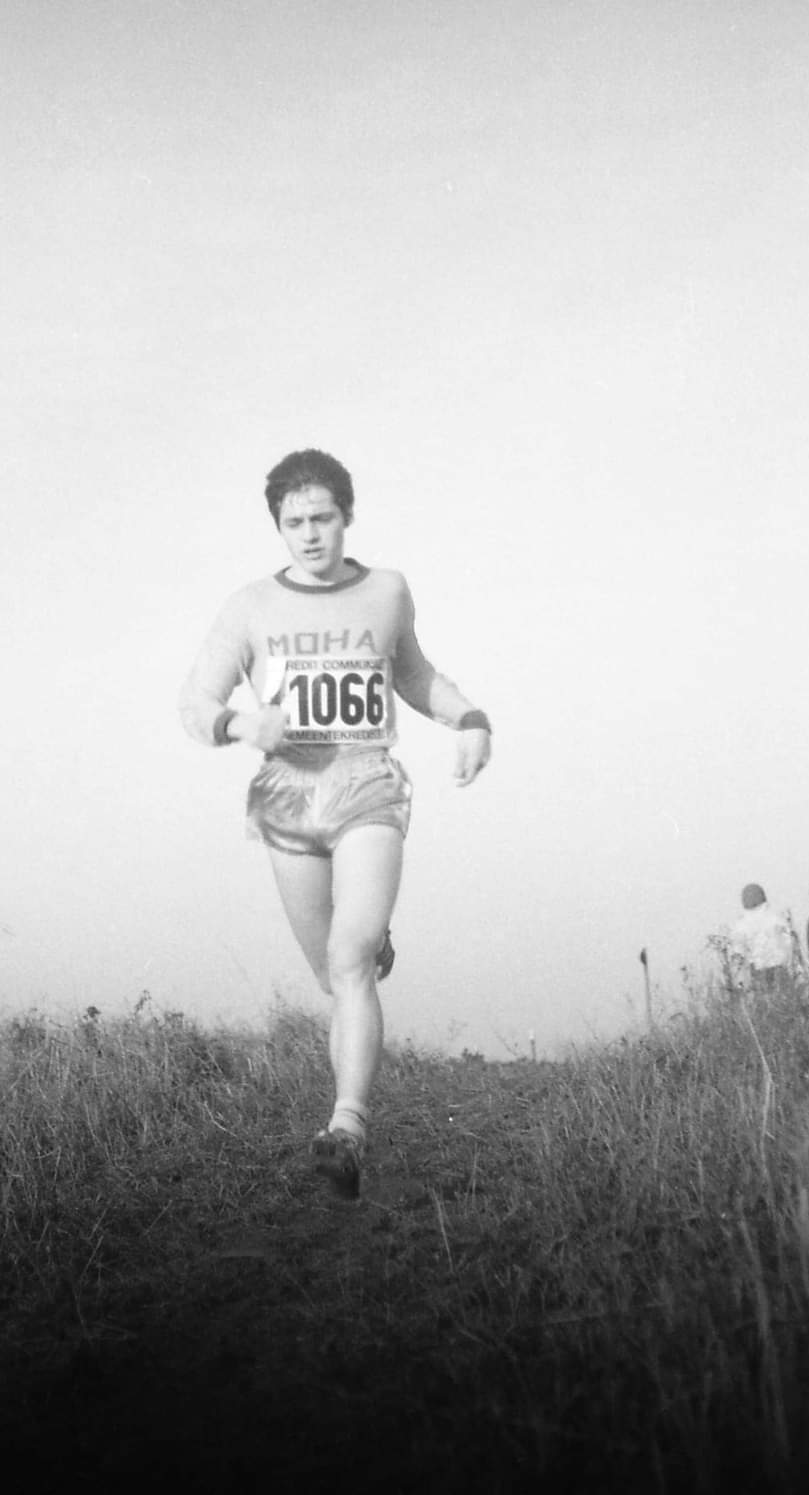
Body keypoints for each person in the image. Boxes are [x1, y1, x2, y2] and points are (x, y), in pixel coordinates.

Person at [178, 449, 491, 1198]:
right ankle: (365, 951)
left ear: (347, 515)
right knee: (332, 972)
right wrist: (239, 724)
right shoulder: (250, 605)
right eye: (295, 523)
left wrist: (469, 717)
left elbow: (411, 672)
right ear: (278, 528)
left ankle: (347, 1127)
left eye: (323, 518)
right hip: (289, 794)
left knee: (350, 957)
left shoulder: (386, 591)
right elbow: (194, 702)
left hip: (366, 781)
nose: (311, 534)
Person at [729, 883, 795, 987]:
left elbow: (738, 955)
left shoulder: (741, 925)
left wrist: (739, 984)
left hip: (758, 974)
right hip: (781, 971)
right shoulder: (777, 918)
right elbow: (790, 945)